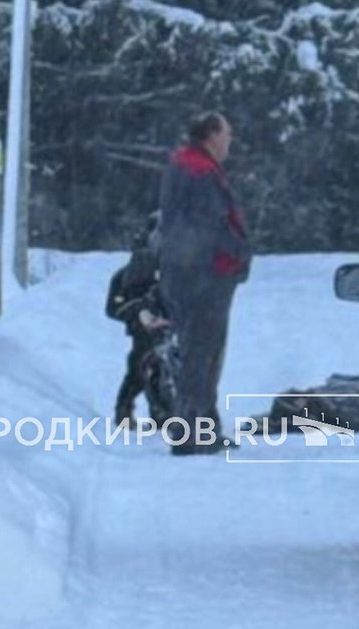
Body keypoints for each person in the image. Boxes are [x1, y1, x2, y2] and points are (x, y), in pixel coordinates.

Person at [157, 111, 251, 454]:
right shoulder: (198, 171)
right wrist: (237, 252)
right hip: (203, 275)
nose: (230, 142)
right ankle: (191, 432)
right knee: (202, 354)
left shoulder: (189, 167)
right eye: (227, 134)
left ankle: (201, 427)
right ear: (211, 135)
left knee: (201, 352)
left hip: (190, 273)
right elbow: (212, 223)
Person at [106, 213, 171, 426]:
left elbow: (113, 308)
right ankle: (131, 411)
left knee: (157, 369)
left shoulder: (173, 272)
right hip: (147, 331)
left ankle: (161, 411)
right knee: (142, 370)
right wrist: (139, 313)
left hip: (163, 328)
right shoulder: (126, 276)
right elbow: (114, 308)